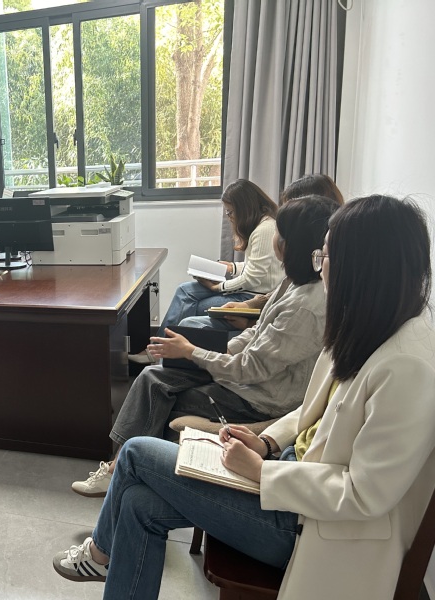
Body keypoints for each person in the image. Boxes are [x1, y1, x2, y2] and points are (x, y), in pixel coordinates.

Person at [54, 195, 435, 600]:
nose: (321, 266)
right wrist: (266, 442)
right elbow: (312, 412)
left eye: (326, 256)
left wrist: (261, 472)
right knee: (137, 503)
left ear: (362, 269)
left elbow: (363, 494)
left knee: (135, 453)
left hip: (306, 524)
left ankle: (99, 554)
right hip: (288, 477)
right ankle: (104, 559)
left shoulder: (406, 367)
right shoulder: (370, 326)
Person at [71, 195, 338, 499]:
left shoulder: (305, 307)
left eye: (280, 232)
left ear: (292, 243)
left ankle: (122, 471)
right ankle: (121, 467)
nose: (274, 238)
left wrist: (192, 352)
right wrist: (218, 350)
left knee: (157, 394)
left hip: (259, 399)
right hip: (250, 381)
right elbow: (257, 333)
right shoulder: (294, 282)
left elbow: (250, 369)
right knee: (154, 375)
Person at [129, 179, 284, 364]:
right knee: (184, 290)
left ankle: (159, 352)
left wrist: (219, 287)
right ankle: (158, 349)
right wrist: (231, 267)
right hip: (251, 289)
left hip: (252, 295)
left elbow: (253, 278)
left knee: (190, 304)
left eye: (231, 212)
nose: (229, 216)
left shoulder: (264, 230)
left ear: (244, 208)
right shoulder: (262, 226)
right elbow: (257, 266)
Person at [187, 173, 345, 332]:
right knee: (187, 294)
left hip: (254, 297)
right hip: (257, 304)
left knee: (192, 315)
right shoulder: (306, 265)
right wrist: (248, 302)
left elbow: (267, 336)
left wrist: (222, 289)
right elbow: (278, 292)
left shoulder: (316, 281)